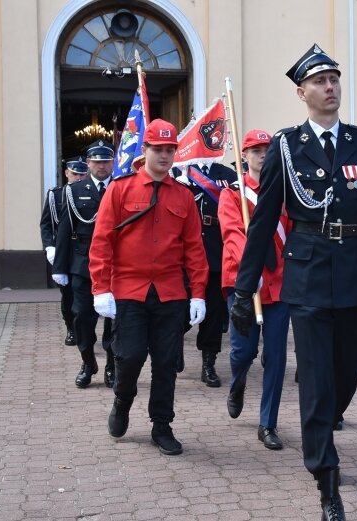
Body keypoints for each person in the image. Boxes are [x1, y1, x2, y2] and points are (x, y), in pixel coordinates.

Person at [229, 44, 357, 521]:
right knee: (317, 382)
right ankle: (326, 480)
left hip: (356, 277)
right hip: (304, 279)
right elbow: (262, 222)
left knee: (347, 374)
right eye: (320, 82)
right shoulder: (286, 146)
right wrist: (244, 289)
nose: (330, 88)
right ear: (301, 92)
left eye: (335, 80)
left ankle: (324, 429)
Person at [88, 118, 208, 455]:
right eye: (159, 149)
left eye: (171, 150)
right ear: (145, 150)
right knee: (129, 356)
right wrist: (101, 287)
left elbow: (194, 249)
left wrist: (198, 293)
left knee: (167, 362)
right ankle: (123, 401)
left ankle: (162, 425)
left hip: (170, 292)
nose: (165, 155)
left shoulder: (183, 196)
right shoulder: (121, 188)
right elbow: (102, 241)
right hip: (129, 289)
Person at [219, 129, 291, 451]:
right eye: (257, 149)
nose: (263, 154)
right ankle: (237, 384)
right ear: (244, 155)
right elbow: (233, 235)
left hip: (279, 285)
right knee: (243, 351)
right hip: (244, 284)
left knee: (276, 357)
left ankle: (268, 423)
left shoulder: (285, 194)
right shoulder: (232, 194)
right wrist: (251, 272)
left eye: (267, 149)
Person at [52, 141, 115, 388]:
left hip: (115, 265)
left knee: (114, 320)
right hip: (83, 264)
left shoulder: (121, 188)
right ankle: (88, 361)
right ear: (87, 163)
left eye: (106, 161)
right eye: (96, 161)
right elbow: (65, 230)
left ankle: (112, 365)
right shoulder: (75, 191)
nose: (101, 166)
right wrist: (59, 267)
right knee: (81, 318)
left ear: (113, 162)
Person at [172, 158, 237, 387]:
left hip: (216, 249)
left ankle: (208, 363)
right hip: (183, 250)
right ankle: (175, 340)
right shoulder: (177, 171)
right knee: (179, 306)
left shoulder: (227, 174)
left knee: (214, 312)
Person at [40, 158, 87, 345]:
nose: (79, 177)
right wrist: (49, 246)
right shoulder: (56, 195)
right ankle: (71, 328)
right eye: (75, 173)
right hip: (64, 252)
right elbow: (46, 224)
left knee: (84, 295)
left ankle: (84, 329)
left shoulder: (94, 194)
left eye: (83, 174)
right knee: (68, 294)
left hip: (84, 252)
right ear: (67, 173)